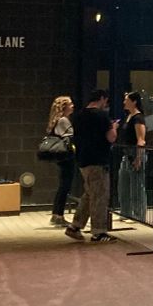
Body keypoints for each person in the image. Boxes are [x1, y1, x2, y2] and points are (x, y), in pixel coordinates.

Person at [65, 88, 118, 243]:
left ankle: (75, 226)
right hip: (98, 160)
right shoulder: (102, 116)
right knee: (100, 195)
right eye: (105, 101)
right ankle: (99, 232)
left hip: (83, 160)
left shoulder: (79, 116)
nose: (105, 104)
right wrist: (114, 127)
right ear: (102, 99)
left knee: (89, 194)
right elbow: (111, 138)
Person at [118, 91, 147, 221]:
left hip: (134, 153)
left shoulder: (138, 117)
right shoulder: (129, 116)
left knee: (136, 185)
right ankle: (126, 211)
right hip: (126, 154)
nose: (124, 102)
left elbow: (141, 139)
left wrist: (139, 157)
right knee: (123, 184)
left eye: (126, 100)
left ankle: (138, 214)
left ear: (134, 101)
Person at [45, 95, 74, 226]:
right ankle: (59, 215)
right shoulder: (63, 121)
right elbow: (71, 135)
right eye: (70, 104)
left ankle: (56, 214)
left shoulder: (57, 120)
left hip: (60, 157)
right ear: (64, 107)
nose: (73, 105)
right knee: (65, 185)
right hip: (66, 156)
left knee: (63, 184)